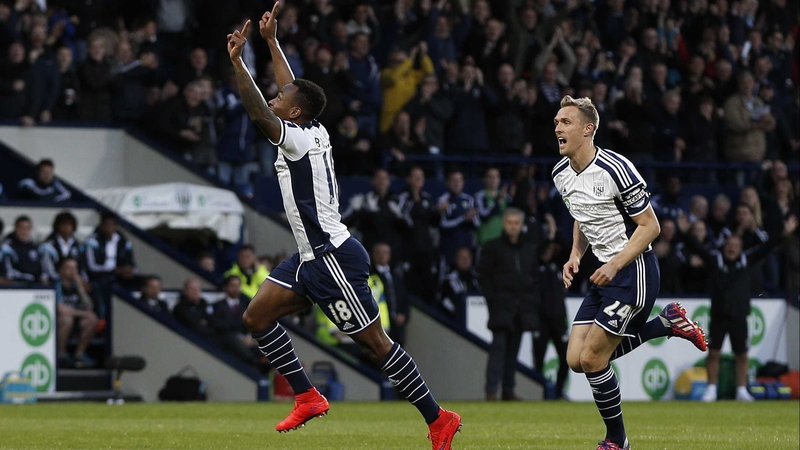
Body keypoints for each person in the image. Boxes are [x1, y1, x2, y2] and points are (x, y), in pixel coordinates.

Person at [226, 8, 461, 448]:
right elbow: (287, 91)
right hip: (308, 256)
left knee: (377, 345)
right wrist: (272, 43)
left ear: (293, 111)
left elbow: (259, 111)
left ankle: (438, 418)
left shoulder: (294, 136)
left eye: (283, 98)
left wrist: (240, 63)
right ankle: (307, 395)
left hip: (333, 258)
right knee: (256, 316)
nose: (276, 98)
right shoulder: (311, 126)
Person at [551, 96, 707, 450]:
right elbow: (582, 213)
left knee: (593, 359)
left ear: (588, 129)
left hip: (633, 271)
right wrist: (575, 253)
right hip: (604, 273)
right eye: (557, 122)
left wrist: (615, 264)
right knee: (575, 360)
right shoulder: (560, 174)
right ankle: (664, 324)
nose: (557, 127)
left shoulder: (616, 168)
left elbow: (651, 227)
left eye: (565, 122)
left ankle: (617, 441)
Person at [679, 215, 798, 402]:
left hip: (739, 315)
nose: (732, 248)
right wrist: (686, 232)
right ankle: (711, 388)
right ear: (724, 246)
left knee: (741, 354)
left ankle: (741, 389)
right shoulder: (715, 260)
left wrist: (783, 233)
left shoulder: (746, 260)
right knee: (714, 352)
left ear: (740, 247)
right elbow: (698, 248)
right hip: (718, 314)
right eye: (729, 244)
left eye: (735, 244)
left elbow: (767, 247)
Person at [478, 208, 539, 402]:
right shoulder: (492, 247)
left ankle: (508, 390)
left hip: (522, 307)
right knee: (498, 350)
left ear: (521, 225)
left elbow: (533, 276)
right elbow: (484, 276)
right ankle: (491, 391)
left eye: (516, 223)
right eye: (510, 222)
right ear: (504, 224)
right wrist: (492, 299)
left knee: (513, 352)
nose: (513, 226)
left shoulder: (529, 248)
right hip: (501, 306)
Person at [55, 257, 98, 368]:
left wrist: (80, 288)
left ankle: (79, 354)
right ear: (61, 270)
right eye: (69, 268)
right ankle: (61, 353)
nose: (73, 271)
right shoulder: (57, 285)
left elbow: (89, 306)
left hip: (76, 319)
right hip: (58, 320)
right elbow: (61, 309)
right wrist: (83, 313)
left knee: (92, 319)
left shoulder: (77, 286)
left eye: (75, 268)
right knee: (67, 318)